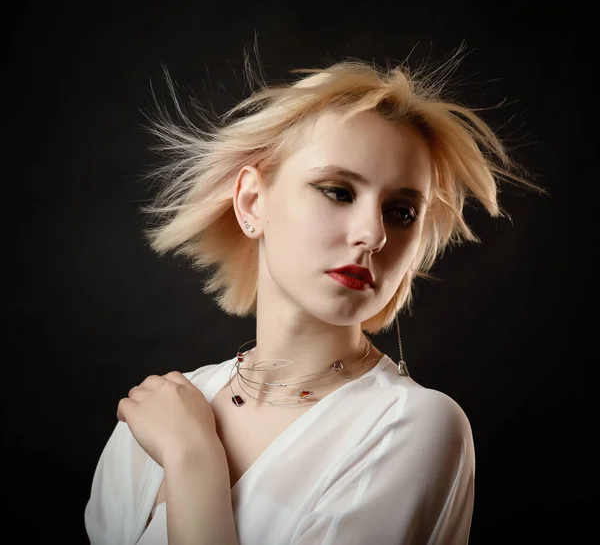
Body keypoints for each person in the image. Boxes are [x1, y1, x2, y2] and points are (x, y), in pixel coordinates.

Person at [84, 48, 545, 544]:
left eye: (402, 212)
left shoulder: (412, 427)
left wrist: (193, 461)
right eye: (338, 191)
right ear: (251, 202)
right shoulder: (160, 410)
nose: (373, 235)